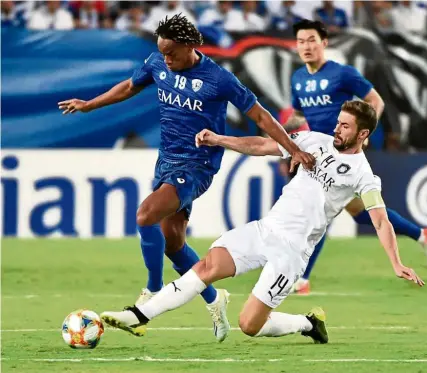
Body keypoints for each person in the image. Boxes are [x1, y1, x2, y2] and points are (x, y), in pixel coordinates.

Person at [57, 14, 315, 342]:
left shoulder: (219, 79)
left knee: (145, 214)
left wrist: (292, 147)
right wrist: (90, 105)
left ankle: (150, 293)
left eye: (172, 53)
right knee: (173, 244)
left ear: (191, 46)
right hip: (166, 161)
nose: (166, 59)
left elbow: (261, 116)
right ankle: (214, 299)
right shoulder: (157, 63)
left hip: (197, 165)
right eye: (162, 53)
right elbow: (129, 86)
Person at [100, 100, 425, 343]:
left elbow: (380, 220)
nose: (337, 129)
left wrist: (396, 262)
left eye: (345, 126)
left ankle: (308, 324)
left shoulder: (363, 175)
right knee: (207, 267)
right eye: (338, 123)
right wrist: (219, 139)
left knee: (249, 325)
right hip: (265, 230)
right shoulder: (314, 140)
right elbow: (263, 145)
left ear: (363, 133)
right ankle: (138, 315)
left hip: (292, 253)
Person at [282, 19, 427, 295]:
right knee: (358, 212)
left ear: (324, 43)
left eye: (311, 40)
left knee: (321, 210)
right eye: (301, 41)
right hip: (320, 154)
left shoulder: (343, 74)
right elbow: (299, 115)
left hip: (343, 154)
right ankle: (422, 234)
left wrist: (362, 137)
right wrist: (281, 128)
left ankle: (302, 278)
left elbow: (376, 101)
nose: (306, 46)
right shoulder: (298, 78)